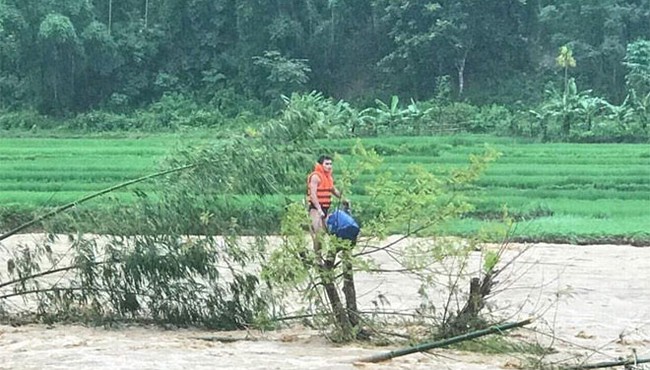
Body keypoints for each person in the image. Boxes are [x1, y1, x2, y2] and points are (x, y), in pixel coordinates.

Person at [306, 155, 346, 237]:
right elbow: (313, 195)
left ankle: (327, 249)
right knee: (319, 232)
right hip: (315, 209)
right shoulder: (315, 177)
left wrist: (343, 199)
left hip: (326, 209)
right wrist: (319, 209)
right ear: (321, 165)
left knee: (327, 232)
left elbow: (333, 190)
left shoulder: (328, 178)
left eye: (331, 164)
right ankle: (317, 250)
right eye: (327, 164)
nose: (329, 166)